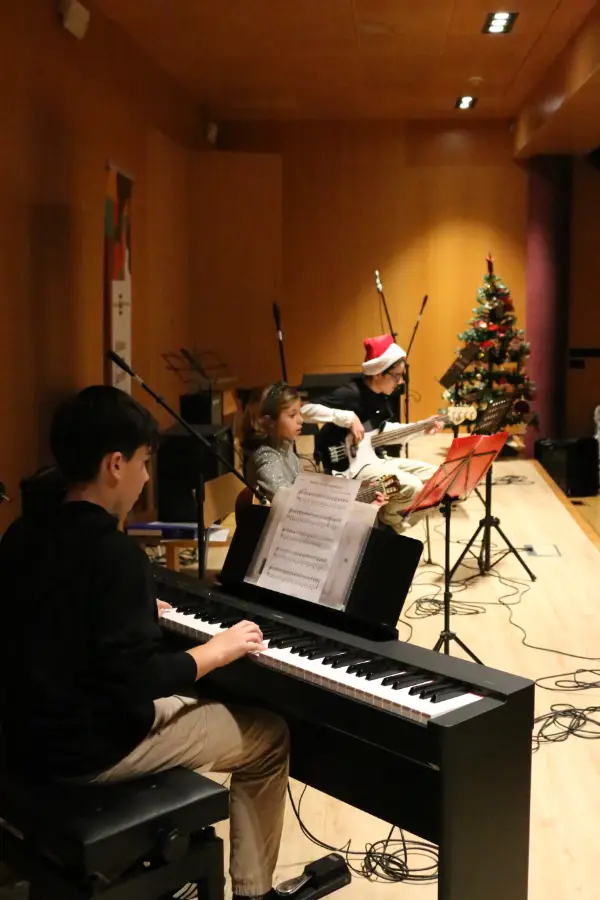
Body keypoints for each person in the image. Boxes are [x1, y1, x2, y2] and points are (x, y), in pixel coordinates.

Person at [0, 385, 288, 900]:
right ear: (115, 465)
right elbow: (136, 683)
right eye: (143, 462)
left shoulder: (21, 534)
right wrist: (215, 650)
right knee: (268, 736)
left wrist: (126, 613)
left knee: (193, 700)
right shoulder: (115, 555)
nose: (146, 477)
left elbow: (52, 615)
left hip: (24, 735)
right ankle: (254, 893)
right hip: (88, 752)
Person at [301, 335, 441, 533]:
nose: (401, 381)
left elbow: (382, 433)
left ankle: (390, 525)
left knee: (439, 479)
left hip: (373, 459)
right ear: (378, 374)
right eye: (397, 375)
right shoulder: (351, 393)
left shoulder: (381, 397)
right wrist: (347, 417)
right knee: (412, 486)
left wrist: (421, 428)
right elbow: (304, 411)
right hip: (350, 469)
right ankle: (389, 522)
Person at [241, 382, 387, 509]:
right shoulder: (267, 458)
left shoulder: (287, 453)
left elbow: (307, 494)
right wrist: (355, 503)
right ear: (269, 422)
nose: (300, 420)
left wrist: (357, 492)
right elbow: (295, 507)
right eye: (292, 415)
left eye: (299, 413)